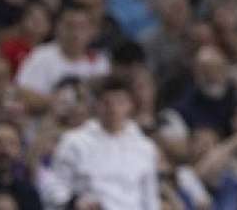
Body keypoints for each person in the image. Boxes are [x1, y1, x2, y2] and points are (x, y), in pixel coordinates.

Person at [40, 74, 160, 209]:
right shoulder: (74, 142)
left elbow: (149, 199)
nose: (113, 109)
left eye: (120, 102)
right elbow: (54, 185)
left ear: (130, 105)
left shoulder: (145, 148)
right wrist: (74, 202)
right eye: (107, 103)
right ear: (97, 105)